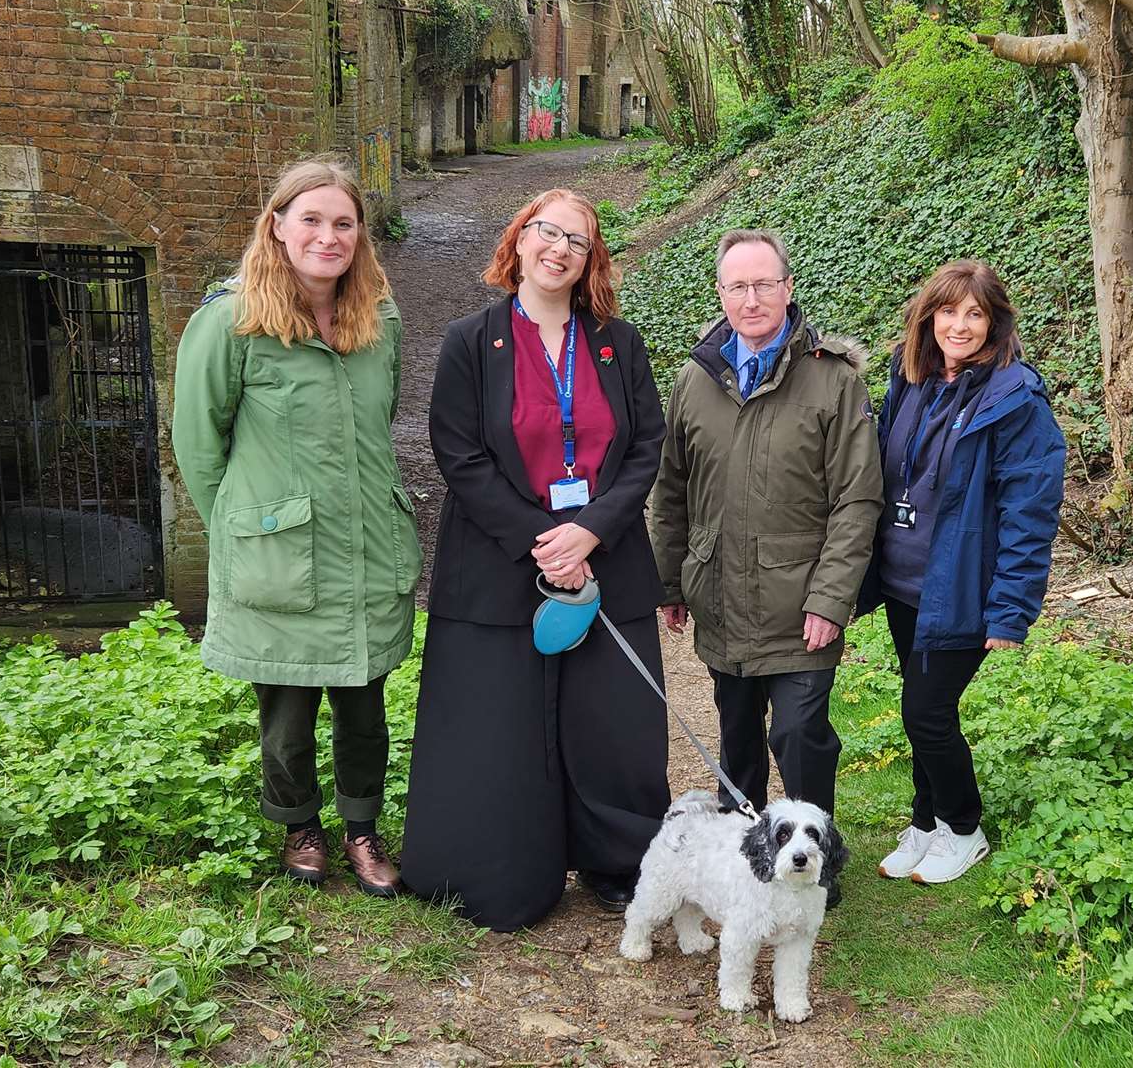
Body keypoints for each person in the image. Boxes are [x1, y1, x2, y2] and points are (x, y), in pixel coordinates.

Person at [401, 189, 669, 929]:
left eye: (577, 242)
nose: (559, 249)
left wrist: (589, 532)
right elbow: (458, 455)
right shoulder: (468, 341)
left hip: (604, 556)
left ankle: (619, 863)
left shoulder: (619, 341)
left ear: (590, 261)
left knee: (613, 724)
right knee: (502, 724)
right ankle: (504, 867)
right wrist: (538, 539)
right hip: (498, 563)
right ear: (518, 240)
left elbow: (646, 446)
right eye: (547, 232)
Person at [172, 158, 420, 896]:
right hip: (282, 554)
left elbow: (376, 426)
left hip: (366, 542)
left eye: (343, 222)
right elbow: (197, 443)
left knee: (364, 705)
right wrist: (242, 530)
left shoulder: (382, 320)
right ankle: (298, 825)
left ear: (359, 236)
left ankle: (362, 827)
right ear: (277, 225)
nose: (327, 235)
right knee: (285, 712)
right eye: (310, 219)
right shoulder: (231, 320)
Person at [649, 228, 883, 906]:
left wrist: (830, 598)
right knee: (738, 740)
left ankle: (818, 870)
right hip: (721, 596)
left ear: (786, 287)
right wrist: (670, 580)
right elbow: (671, 491)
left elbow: (856, 497)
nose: (750, 298)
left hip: (802, 603)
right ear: (720, 294)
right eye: (736, 286)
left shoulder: (832, 380)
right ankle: (744, 865)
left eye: (762, 284)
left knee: (799, 733)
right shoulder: (695, 380)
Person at [856, 260, 1065, 884]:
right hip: (904, 579)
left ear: (995, 322)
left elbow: (1030, 511)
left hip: (962, 587)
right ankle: (927, 823)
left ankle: (965, 827)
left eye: (975, 313)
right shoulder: (909, 376)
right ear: (929, 316)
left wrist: (1011, 607)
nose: (960, 325)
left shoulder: (1015, 400)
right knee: (920, 706)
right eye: (948, 311)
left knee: (927, 712)